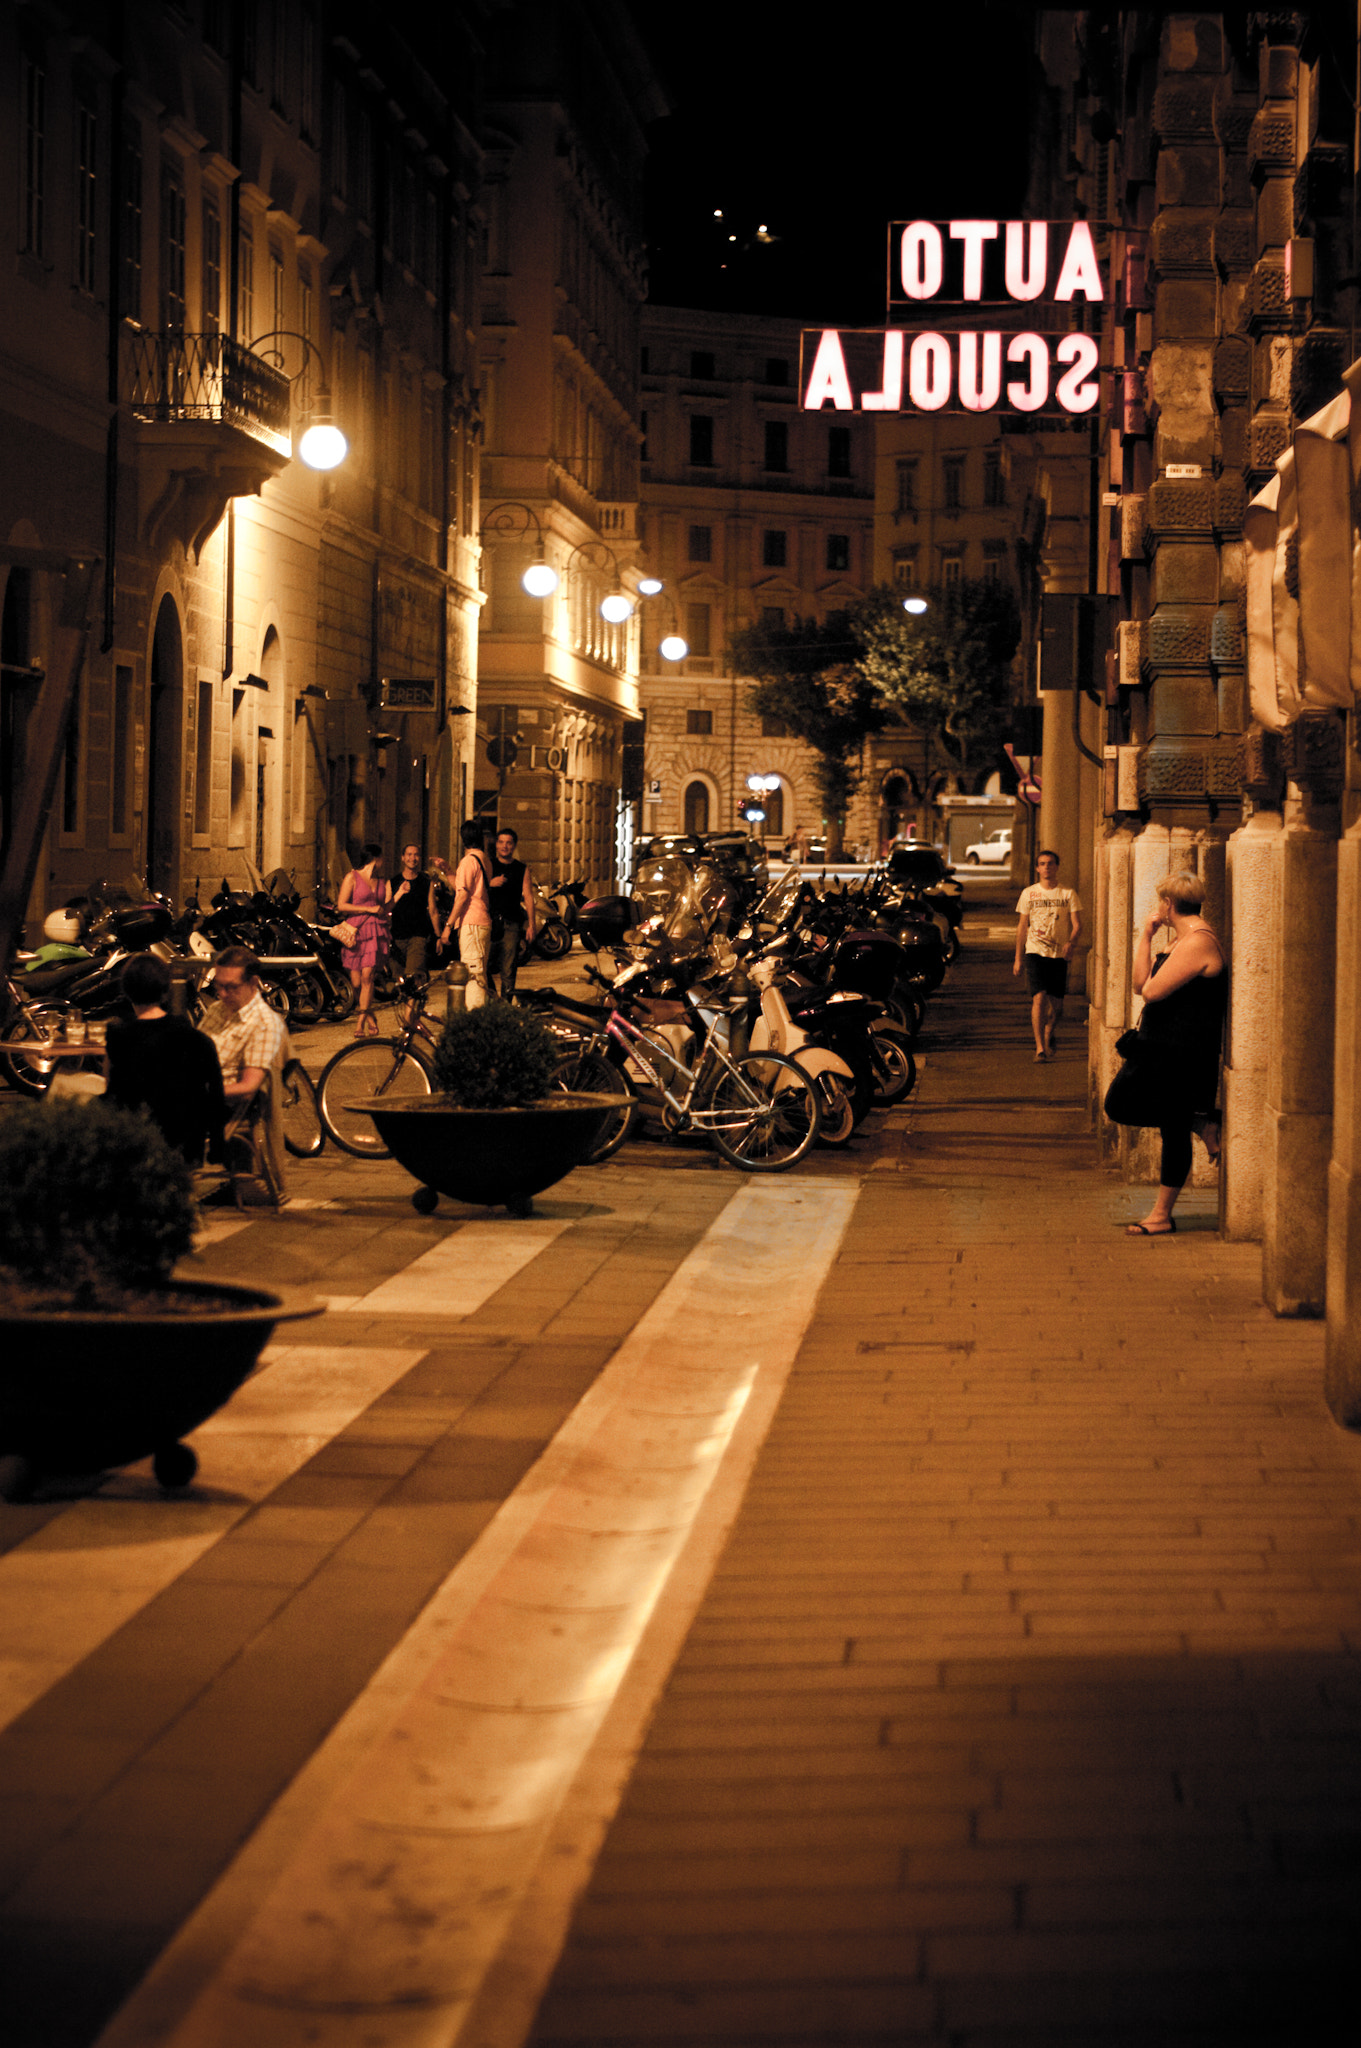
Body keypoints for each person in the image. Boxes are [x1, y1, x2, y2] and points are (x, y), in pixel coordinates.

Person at [1122, 871, 1227, 1238]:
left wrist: (1154, 942)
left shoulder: (1198, 941)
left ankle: (1161, 1214)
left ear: (1169, 904)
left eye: (1161, 902)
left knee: (1171, 1127)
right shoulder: (1178, 941)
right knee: (1121, 1104)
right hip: (1164, 1049)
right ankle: (1200, 1122)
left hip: (1185, 1052)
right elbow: (1139, 984)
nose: (1159, 908)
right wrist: (1146, 936)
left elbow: (1151, 992)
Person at [104, 953, 226, 1165]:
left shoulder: (119, 1038)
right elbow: (215, 1095)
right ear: (165, 991)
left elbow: (114, 1093)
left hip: (136, 1141)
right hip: (187, 1143)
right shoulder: (197, 1039)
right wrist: (217, 1147)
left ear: (128, 992)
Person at [199, 946, 291, 1192]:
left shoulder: (264, 1024)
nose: (223, 994)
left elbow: (249, 1087)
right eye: (218, 986)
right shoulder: (219, 1009)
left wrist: (200, 1092)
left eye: (231, 987)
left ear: (253, 983)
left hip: (220, 1103)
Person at [1013, 848, 1083, 1061]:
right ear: (1037, 868)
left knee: (1058, 1008)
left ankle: (1049, 1032)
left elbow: (1078, 925)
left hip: (1058, 955)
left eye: (1050, 863)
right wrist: (1018, 958)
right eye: (1042, 864)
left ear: (1057, 867)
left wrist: (1071, 942)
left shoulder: (1067, 893)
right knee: (1039, 998)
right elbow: (1022, 926)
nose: (1046, 867)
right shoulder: (1029, 893)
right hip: (1035, 952)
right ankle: (1040, 1048)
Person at [337, 842, 391, 1037]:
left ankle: (360, 1023)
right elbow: (341, 905)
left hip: (375, 931)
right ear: (375, 859)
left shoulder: (382, 881)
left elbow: (384, 907)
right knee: (357, 982)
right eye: (381, 858)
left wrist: (399, 893)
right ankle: (369, 1015)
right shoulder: (352, 877)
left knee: (368, 976)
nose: (383, 862)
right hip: (356, 930)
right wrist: (367, 909)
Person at [440, 819, 493, 1009]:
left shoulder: (468, 861)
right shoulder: (484, 860)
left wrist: (448, 926)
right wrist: (448, 871)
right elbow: (466, 888)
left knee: (473, 973)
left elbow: (462, 896)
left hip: (472, 922)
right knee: (479, 970)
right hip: (483, 921)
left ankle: (474, 1018)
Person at [487, 826, 536, 1000]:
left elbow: (528, 896)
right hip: (489, 923)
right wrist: (490, 883)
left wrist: (531, 924)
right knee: (482, 967)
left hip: (511, 924)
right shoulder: (488, 865)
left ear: (514, 846)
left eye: (508, 843)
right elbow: (476, 889)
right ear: (496, 845)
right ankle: (493, 1001)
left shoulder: (521, 869)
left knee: (508, 970)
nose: (504, 846)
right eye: (501, 842)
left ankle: (505, 1009)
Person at [390, 842, 438, 979]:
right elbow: (387, 906)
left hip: (418, 936)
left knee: (413, 975)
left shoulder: (425, 882)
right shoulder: (393, 882)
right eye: (409, 854)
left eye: (416, 854)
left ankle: (412, 999)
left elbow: (433, 911)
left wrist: (439, 936)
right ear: (403, 858)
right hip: (397, 936)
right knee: (399, 980)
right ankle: (410, 1000)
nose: (413, 858)